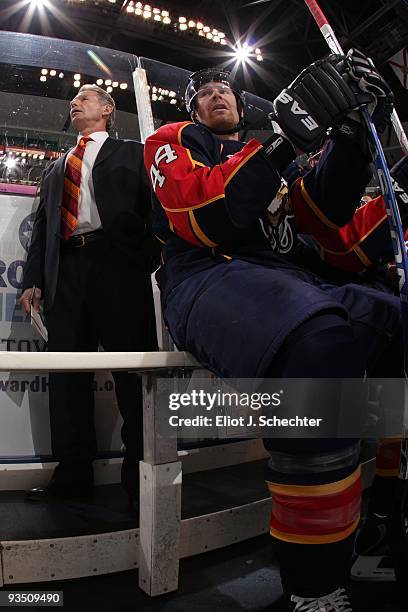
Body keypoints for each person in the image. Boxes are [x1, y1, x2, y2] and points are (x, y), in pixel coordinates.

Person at [144, 52, 408, 610]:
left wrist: (354, 143)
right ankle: (315, 585)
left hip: (283, 277)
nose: (218, 93)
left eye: (226, 88)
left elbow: (322, 225)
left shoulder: (264, 154)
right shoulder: (172, 139)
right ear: (193, 106)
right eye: (207, 90)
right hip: (207, 272)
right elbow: (205, 216)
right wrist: (287, 141)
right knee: (317, 344)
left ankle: (387, 513)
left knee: (393, 324)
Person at [21, 84, 158, 505]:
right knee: (67, 380)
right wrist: (33, 279)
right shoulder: (56, 168)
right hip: (67, 272)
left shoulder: (135, 152)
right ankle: (72, 476)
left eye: (85, 96)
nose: (74, 103)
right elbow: (43, 227)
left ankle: (140, 480)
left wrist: (143, 258)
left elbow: (155, 209)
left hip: (118, 268)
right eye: (74, 99)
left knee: (133, 377)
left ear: (108, 110)